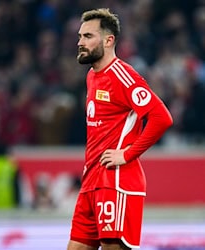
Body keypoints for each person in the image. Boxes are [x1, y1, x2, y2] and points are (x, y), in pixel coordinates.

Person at [68, 8, 173, 250]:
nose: (79, 42)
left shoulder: (122, 75)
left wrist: (127, 154)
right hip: (90, 182)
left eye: (87, 36)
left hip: (115, 181)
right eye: (80, 36)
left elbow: (161, 117)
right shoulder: (92, 76)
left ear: (108, 40)